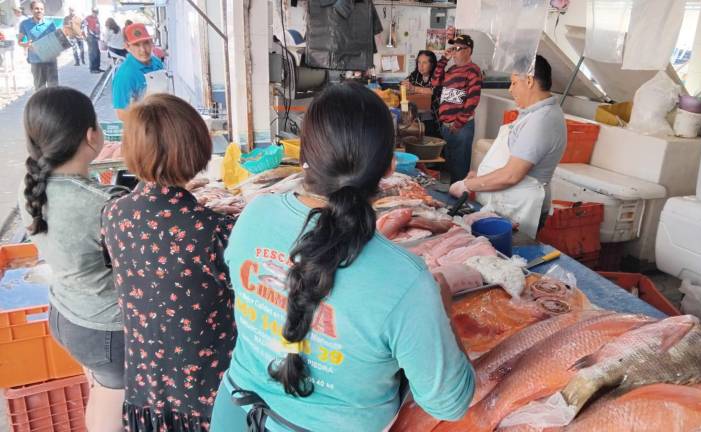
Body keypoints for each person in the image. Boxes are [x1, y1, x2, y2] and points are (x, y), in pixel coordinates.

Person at [210, 82, 474, 431]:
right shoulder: (406, 281)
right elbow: (449, 403)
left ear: (304, 156)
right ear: (389, 168)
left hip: (235, 415)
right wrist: (442, 311)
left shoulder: (254, 215)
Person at [102, 93, 236, 432]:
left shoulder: (114, 214)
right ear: (198, 149)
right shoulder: (214, 230)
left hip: (146, 388)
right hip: (207, 394)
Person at [18, 87, 127, 432]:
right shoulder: (102, 203)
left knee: (98, 393)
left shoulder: (32, 187)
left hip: (66, 314)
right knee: (111, 402)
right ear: (91, 135)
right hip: (105, 328)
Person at [449, 55, 566, 236]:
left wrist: (469, 185)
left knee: (507, 259)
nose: (510, 89)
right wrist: (482, 176)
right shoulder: (532, 113)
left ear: (528, 81)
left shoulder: (541, 120)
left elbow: (511, 175)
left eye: (513, 83)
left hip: (520, 208)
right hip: (508, 201)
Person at [432, 34, 483, 182]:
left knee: (460, 167)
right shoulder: (452, 69)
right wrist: (443, 60)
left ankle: (460, 200)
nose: (454, 52)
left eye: (458, 48)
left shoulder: (473, 70)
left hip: (461, 127)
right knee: (451, 165)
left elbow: (472, 100)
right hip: (447, 125)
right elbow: (435, 82)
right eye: (453, 48)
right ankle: (453, 196)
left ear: (469, 50)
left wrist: (458, 123)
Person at [112, 23, 166, 121]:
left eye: (146, 43)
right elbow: (121, 113)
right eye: (136, 45)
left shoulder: (157, 62)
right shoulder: (124, 75)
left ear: (151, 42)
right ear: (127, 46)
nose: (143, 50)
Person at [17, 1, 58, 90]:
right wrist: (26, 44)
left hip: (50, 60)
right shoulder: (25, 24)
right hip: (36, 61)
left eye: (41, 9)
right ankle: (42, 104)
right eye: (36, 8)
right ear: (31, 10)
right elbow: (19, 42)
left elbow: (55, 40)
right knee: (40, 88)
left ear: (44, 11)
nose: (39, 11)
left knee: (54, 88)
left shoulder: (50, 23)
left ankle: (53, 104)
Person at [401, 50, 440, 137]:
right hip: (416, 116)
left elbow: (433, 91)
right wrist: (404, 85)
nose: (420, 66)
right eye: (419, 62)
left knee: (430, 140)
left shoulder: (437, 76)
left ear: (432, 64)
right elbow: (403, 83)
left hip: (433, 118)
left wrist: (413, 88)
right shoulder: (415, 75)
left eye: (424, 63)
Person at [84, 8, 104, 73]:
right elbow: (82, 27)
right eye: (95, 12)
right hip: (91, 37)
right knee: (93, 54)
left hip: (96, 38)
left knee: (98, 53)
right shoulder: (87, 18)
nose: (96, 14)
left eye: (97, 12)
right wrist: (84, 37)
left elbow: (98, 28)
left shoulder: (96, 19)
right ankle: (92, 69)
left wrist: (99, 36)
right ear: (92, 12)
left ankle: (97, 67)